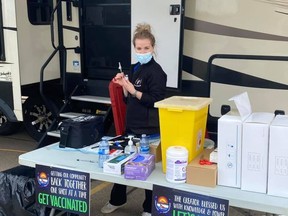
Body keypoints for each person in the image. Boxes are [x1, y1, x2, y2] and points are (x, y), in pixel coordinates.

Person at [101, 23, 167, 216]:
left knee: (148, 169)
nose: (143, 51)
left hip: (149, 130)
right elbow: (127, 99)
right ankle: (117, 200)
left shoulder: (157, 72)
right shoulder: (135, 67)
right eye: (139, 48)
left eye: (146, 48)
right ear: (134, 48)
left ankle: (149, 208)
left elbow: (156, 100)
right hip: (132, 128)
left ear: (153, 48)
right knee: (122, 165)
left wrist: (133, 90)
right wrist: (123, 85)